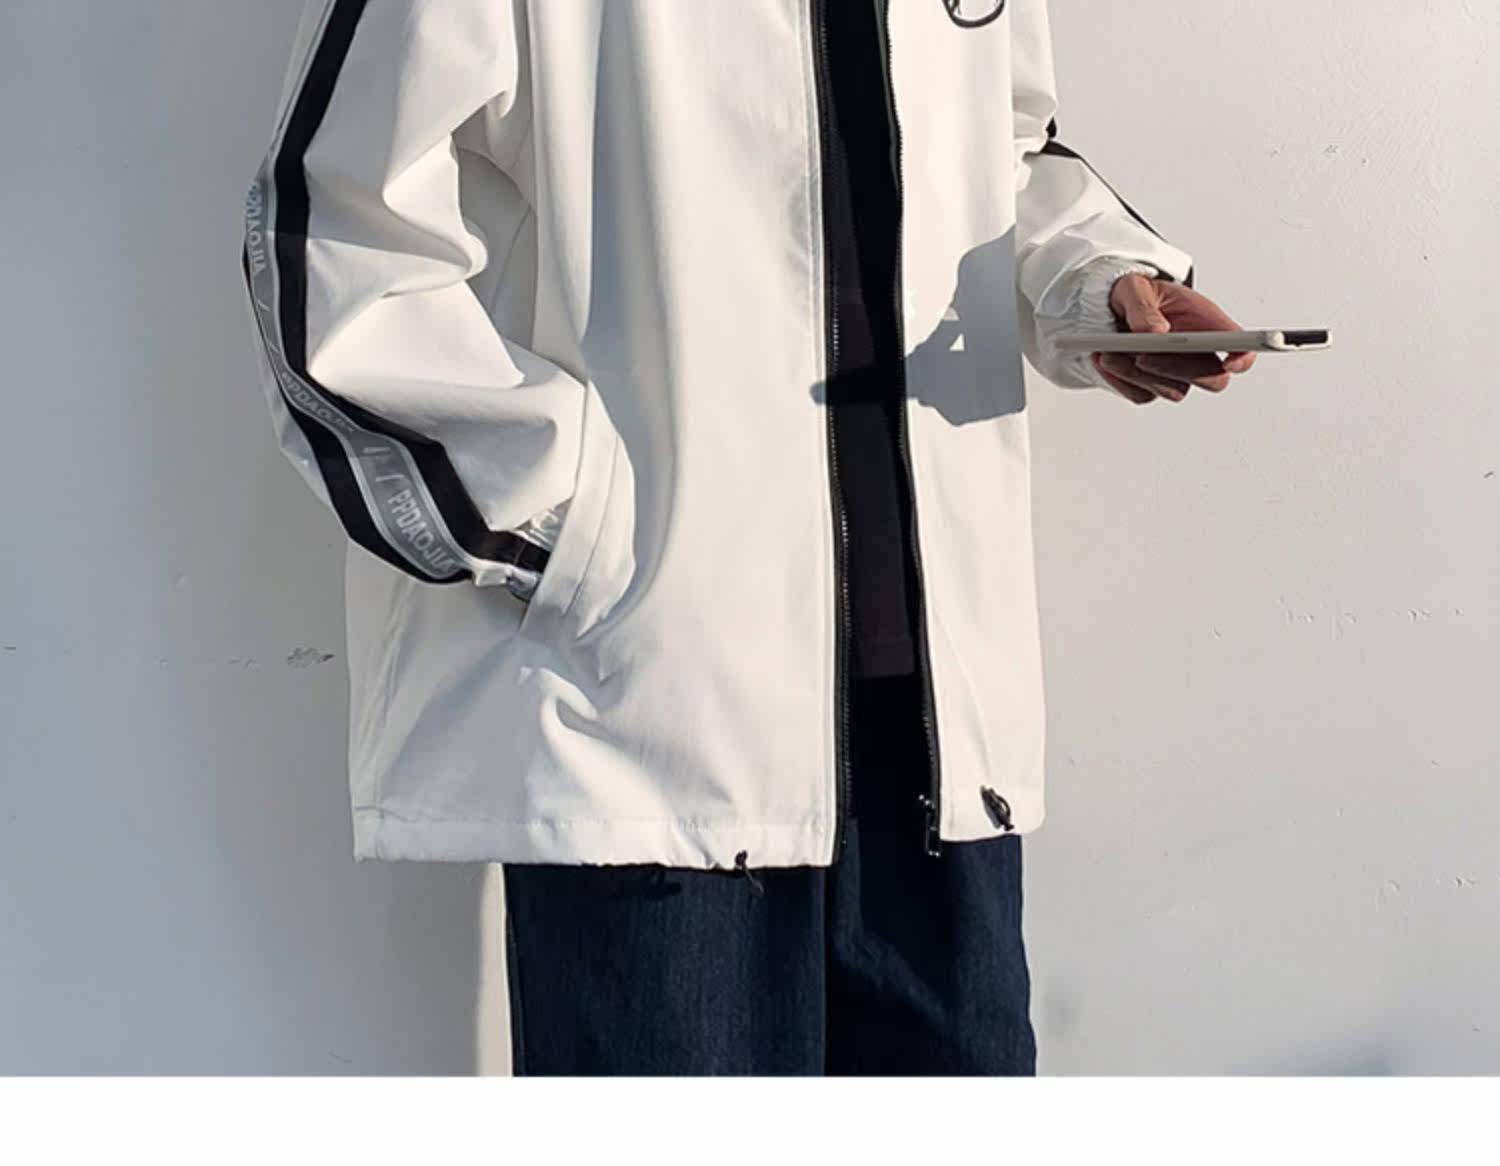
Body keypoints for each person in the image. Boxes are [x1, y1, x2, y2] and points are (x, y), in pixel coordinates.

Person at [240, 0, 1256, 1076]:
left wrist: (1101, 285)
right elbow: (334, 235)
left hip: (939, 735)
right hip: (656, 730)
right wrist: (573, 536)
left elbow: (1002, 145)